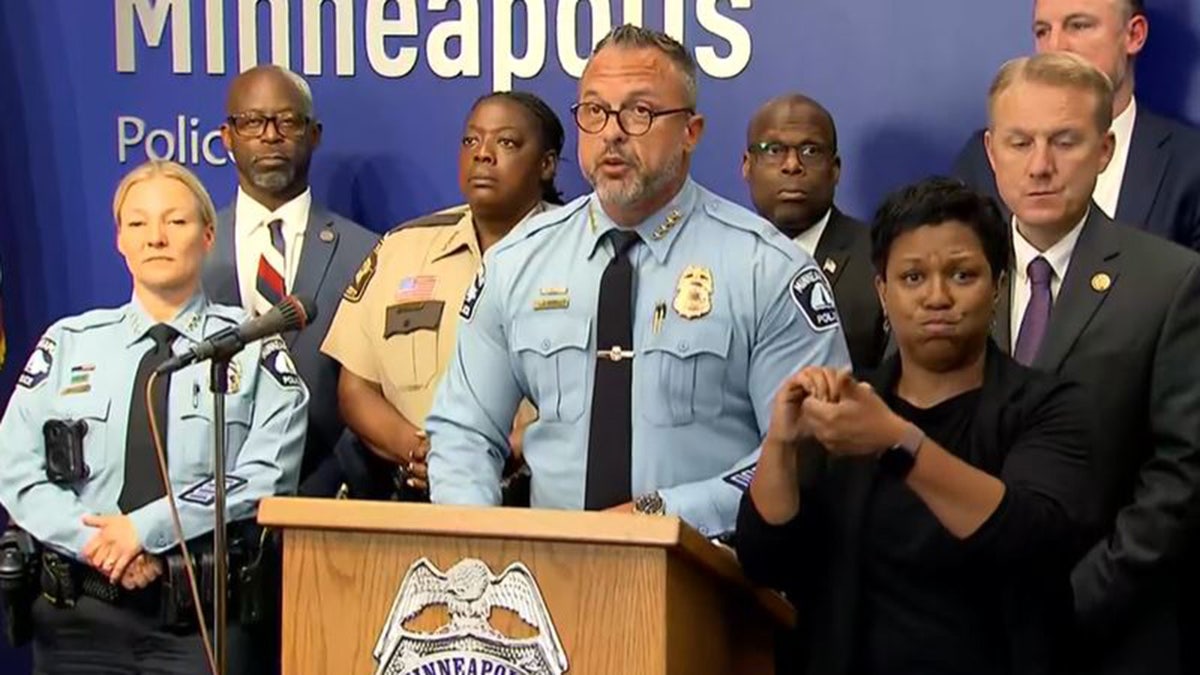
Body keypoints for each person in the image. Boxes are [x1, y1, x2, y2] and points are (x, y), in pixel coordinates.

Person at [424, 24, 850, 538]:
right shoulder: (517, 262)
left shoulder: (768, 270)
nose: (612, 132)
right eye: (595, 111)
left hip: (713, 576)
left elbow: (802, 454)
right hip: (546, 582)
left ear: (691, 132)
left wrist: (660, 516)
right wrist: (479, 544)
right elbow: (464, 430)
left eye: (640, 112)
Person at [738, 177, 1094, 675]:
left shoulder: (1047, 405)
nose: (937, 297)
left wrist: (897, 442)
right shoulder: (847, 407)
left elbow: (1033, 543)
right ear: (882, 291)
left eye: (962, 275)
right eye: (912, 278)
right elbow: (766, 560)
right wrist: (780, 444)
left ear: (998, 285)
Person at [0, 160, 307, 673]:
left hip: (200, 620)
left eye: (176, 222)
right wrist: (100, 545)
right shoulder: (68, 344)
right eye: (137, 224)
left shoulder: (253, 347)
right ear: (120, 241)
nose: (156, 238)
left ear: (209, 236)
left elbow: (267, 476)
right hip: (77, 619)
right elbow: (15, 469)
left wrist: (145, 530)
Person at [982, 52, 1200, 675]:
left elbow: (1180, 476)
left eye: (1065, 142)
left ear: (1104, 151)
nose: (1041, 165)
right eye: (1020, 143)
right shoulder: (957, 274)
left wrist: (1074, 601)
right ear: (993, 152)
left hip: (1110, 632)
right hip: (965, 631)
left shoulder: (1170, 281)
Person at [321, 91, 564, 499]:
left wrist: (503, 452)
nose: (483, 155)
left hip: (542, 501)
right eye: (471, 140)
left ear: (547, 164)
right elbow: (356, 388)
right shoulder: (402, 248)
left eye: (506, 142)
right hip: (415, 495)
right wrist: (424, 454)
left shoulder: (584, 254)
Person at [202, 65, 379, 496]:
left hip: (331, 496)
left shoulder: (368, 251)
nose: (270, 135)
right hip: (211, 499)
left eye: (287, 121)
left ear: (313, 135)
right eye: (252, 122)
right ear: (227, 137)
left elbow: (376, 385)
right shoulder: (191, 247)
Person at [953, 0, 1200, 251]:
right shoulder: (981, 160)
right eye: (1043, 31)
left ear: (1134, 35)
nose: (1056, 47)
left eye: (1078, 26)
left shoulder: (1190, 164)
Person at [743, 93, 886, 373]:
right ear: (747, 165)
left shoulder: (879, 257)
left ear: (835, 170)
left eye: (810, 151)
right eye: (773, 149)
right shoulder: (717, 262)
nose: (792, 164)